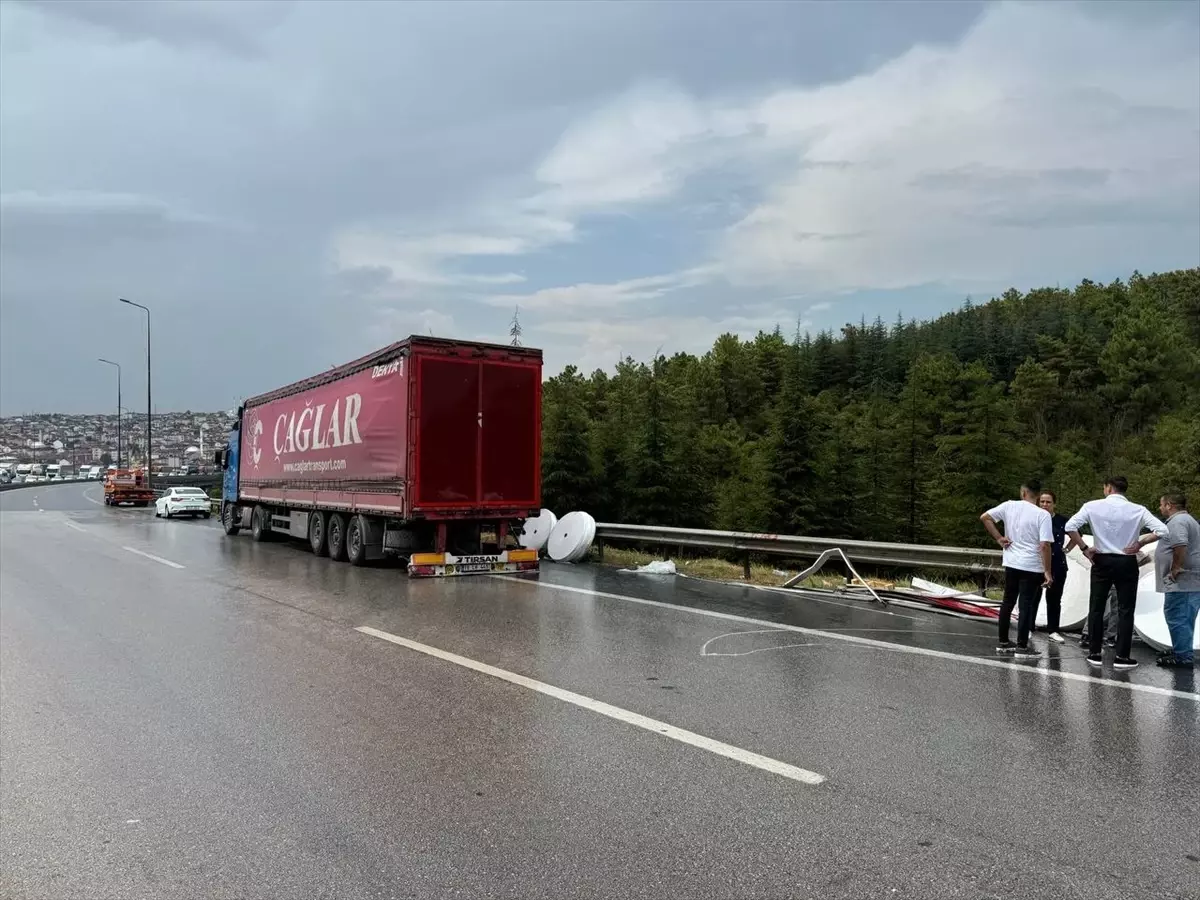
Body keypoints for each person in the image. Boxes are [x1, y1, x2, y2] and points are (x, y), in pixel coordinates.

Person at [1065, 476, 1168, 671]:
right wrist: (1140, 543)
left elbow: (1070, 526)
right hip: (1126, 560)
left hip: (1101, 559)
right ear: (1123, 490)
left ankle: (1094, 652)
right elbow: (1163, 530)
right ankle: (1122, 656)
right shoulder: (1138, 510)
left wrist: (1085, 548)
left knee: (1096, 606)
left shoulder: (1092, 506)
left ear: (1108, 488)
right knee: (1125, 609)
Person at [981, 481, 1054, 659]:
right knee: (1026, 605)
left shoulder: (1009, 506)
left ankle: (1003, 642)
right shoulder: (1042, 515)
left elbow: (985, 517)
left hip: (1012, 562)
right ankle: (1022, 645)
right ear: (1037, 496)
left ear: (1023, 493)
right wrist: (1047, 571)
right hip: (1031, 565)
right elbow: (1045, 545)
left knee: (1008, 601)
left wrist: (999, 537)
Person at [1138, 493, 1199, 667]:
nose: (1160, 508)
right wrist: (1140, 543)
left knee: (1179, 616)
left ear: (1170, 505)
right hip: (1187, 581)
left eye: (1161, 504)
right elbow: (1160, 534)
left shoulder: (1179, 522)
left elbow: (1180, 544)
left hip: (1184, 580)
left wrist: (1176, 567)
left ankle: (1183, 657)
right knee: (1180, 616)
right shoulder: (1181, 521)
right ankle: (1181, 648)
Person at [1037, 491, 1069, 643]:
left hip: (1057, 563)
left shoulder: (1061, 520)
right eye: (1042, 501)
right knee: (1033, 596)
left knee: (1054, 598)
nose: (1044, 505)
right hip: (1036, 562)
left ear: (1054, 504)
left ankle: (1053, 630)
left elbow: (1077, 534)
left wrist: (1067, 548)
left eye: (1048, 502)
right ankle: (1028, 627)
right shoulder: (1034, 517)